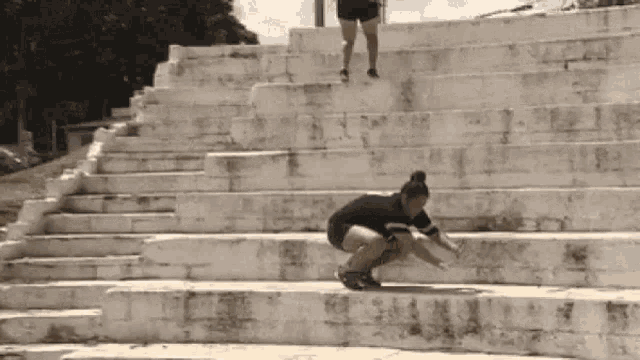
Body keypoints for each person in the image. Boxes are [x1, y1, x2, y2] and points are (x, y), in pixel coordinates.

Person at [327, 171, 462, 290]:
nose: (418, 210)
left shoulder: (415, 210)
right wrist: (437, 262)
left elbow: (433, 233)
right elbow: (412, 244)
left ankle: (362, 270)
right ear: (404, 198)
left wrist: (452, 246)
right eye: (416, 205)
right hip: (339, 229)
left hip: (362, 231)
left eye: (422, 205)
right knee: (378, 242)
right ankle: (348, 271)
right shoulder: (393, 210)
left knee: (399, 247)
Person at [337, 0, 382, 82]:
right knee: (370, 36)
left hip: (349, 4)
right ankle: (372, 69)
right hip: (364, 3)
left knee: (349, 39)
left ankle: (345, 69)